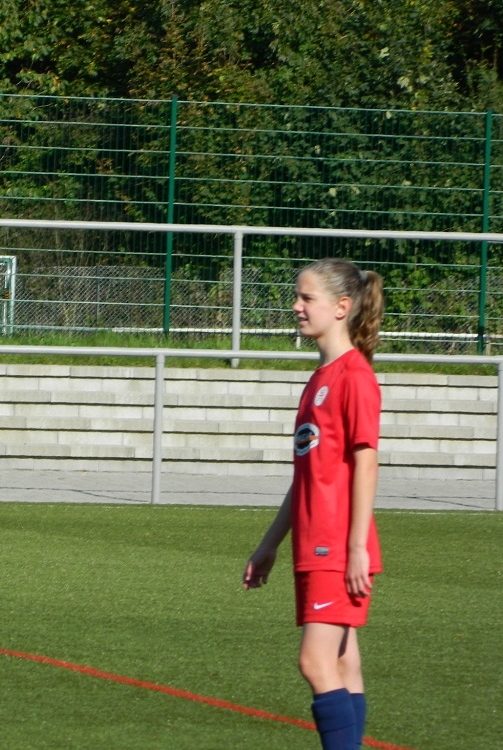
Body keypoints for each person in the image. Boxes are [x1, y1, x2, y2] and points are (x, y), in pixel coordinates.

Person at [243, 258, 385, 750]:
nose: (296, 307)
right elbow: (306, 476)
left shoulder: (354, 376)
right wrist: (269, 545)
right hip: (313, 544)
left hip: (335, 546)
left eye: (307, 298)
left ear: (342, 307)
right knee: (343, 662)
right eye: (297, 297)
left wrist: (355, 547)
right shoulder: (319, 378)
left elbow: (367, 462)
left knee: (315, 662)